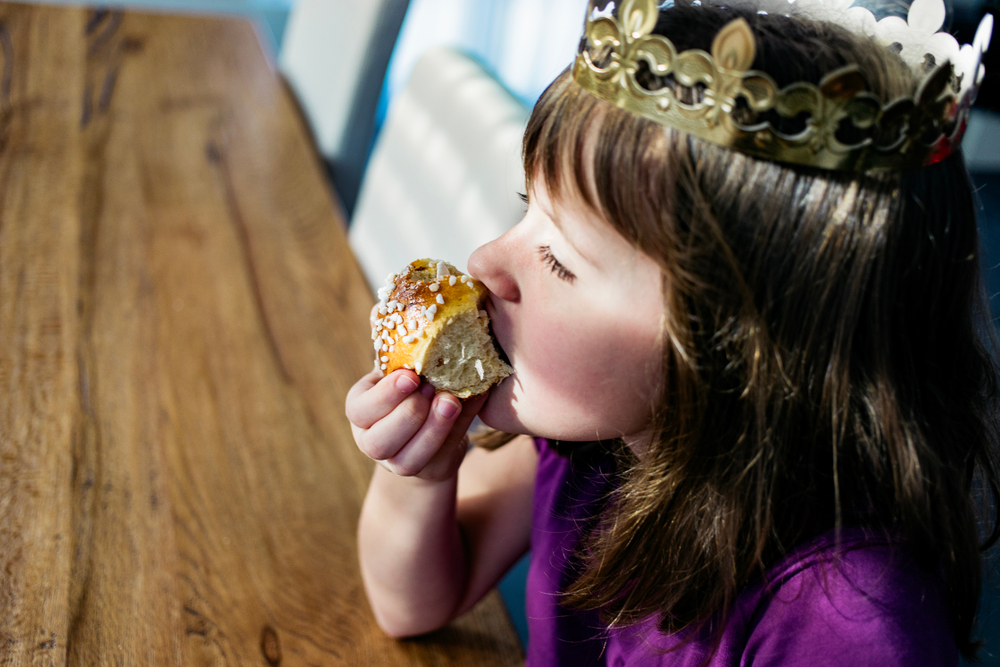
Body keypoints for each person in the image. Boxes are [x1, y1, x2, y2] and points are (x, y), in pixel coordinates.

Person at [345, 0, 1000, 664]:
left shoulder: (846, 626)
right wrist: (422, 473)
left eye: (558, 260)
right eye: (526, 208)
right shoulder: (602, 437)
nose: (485, 259)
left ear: (734, 350)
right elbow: (412, 603)